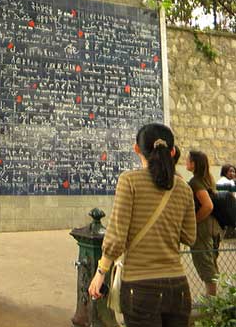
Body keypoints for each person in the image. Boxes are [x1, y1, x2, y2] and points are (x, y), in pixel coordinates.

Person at [88, 123, 196, 327]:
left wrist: (100, 273)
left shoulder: (129, 181)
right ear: (172, 151)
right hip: (178, 287)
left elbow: (117, 237)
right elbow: (189, 237)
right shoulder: (183, 188)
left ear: (136, 149)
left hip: (140, 288)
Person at [187, 150, 222, 296]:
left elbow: (208, 205)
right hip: (213, 225)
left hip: (203, 227)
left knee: (205, 261)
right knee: (210, 260)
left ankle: (211, 298)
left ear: (194, 164)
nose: (186, 162)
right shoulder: (207, 180)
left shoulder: (196, 182)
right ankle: (212, 297)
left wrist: (193, 221)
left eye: (188, 160)